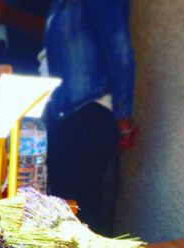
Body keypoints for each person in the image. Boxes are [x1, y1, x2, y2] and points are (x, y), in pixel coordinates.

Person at [43, 0, 138, 235]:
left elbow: (120, 52)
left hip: (89, 111)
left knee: (86, 209)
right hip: (63, 111)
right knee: (64, 208)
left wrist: (123, 118)